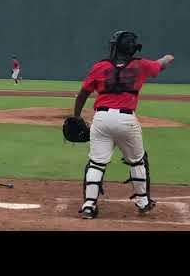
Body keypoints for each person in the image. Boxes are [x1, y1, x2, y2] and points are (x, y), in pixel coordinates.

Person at [73, 30, 174, 219]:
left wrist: (77, 117)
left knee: (96, 163)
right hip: (126, 120)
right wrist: (169, 57)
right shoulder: (141, 65)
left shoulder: (100, 66)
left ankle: (89, 205)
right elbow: (161, 64)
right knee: (137, 160)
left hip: (101, 119)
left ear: (116, 47)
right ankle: (143, 202)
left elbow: (82, 94)